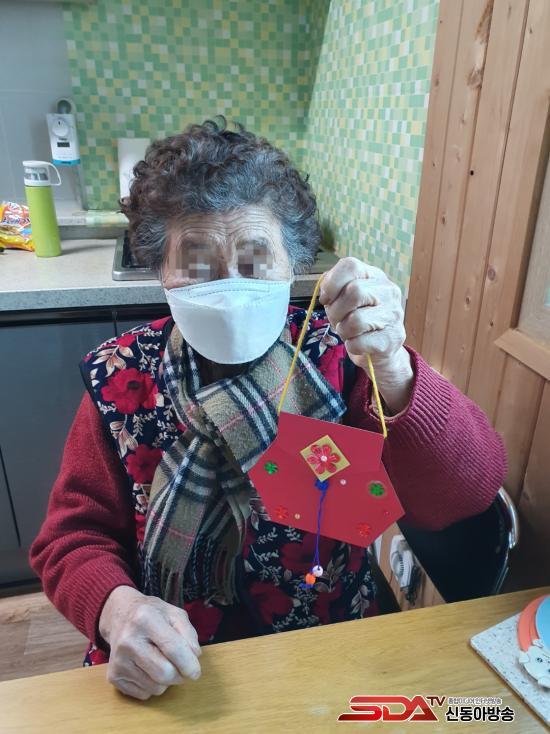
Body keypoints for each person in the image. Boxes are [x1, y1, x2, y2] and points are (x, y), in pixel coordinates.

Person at [30, 118, 506, 701]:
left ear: (294, 264)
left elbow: (463, 496)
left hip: (329, 652)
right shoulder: (121, 377)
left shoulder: (340, 359)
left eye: (256, 261)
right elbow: (72, 537)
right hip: (168, 667)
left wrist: (394, 369)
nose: (230, 288)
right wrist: (117, 608)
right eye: (198, 264)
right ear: (159, 271)